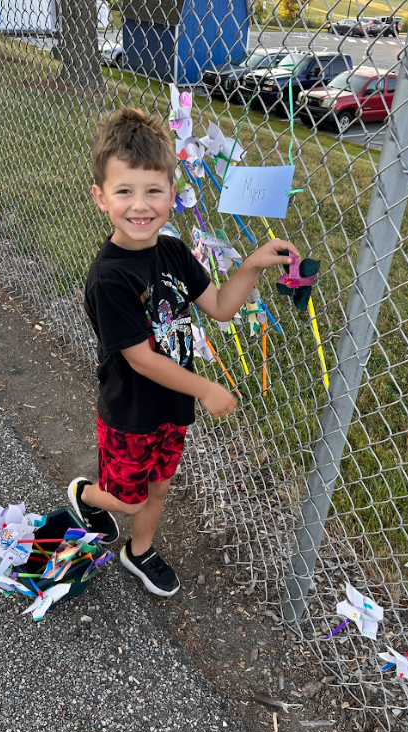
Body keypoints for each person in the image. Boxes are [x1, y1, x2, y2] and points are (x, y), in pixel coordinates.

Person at [68, 106, 299, 598]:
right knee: (126, 500)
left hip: (173, 408)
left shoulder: (172, 252)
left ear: (172, 195)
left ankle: (139, 550)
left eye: (153, 191)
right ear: (100, 198)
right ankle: (86, 494)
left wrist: (253, 265)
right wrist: (207, 387)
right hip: (131, 411)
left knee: (159, 487)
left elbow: (217, 306)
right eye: (124, 191)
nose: (140, 205)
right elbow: (140, 358)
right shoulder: (110, 278)